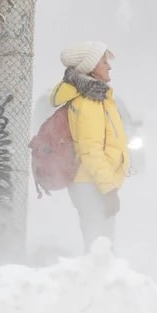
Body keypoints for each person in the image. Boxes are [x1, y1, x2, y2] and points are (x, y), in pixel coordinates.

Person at [52, 41, 129, 250]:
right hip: (92, 185)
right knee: (100, 247)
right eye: (104, 61)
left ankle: (98, 279)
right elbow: (91, 151)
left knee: (101, 246)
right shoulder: (89, 103)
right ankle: (96, 282)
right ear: (92, 67)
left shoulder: (99, 98)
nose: (109, 66)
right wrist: (109, 190)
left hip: (94, 183)